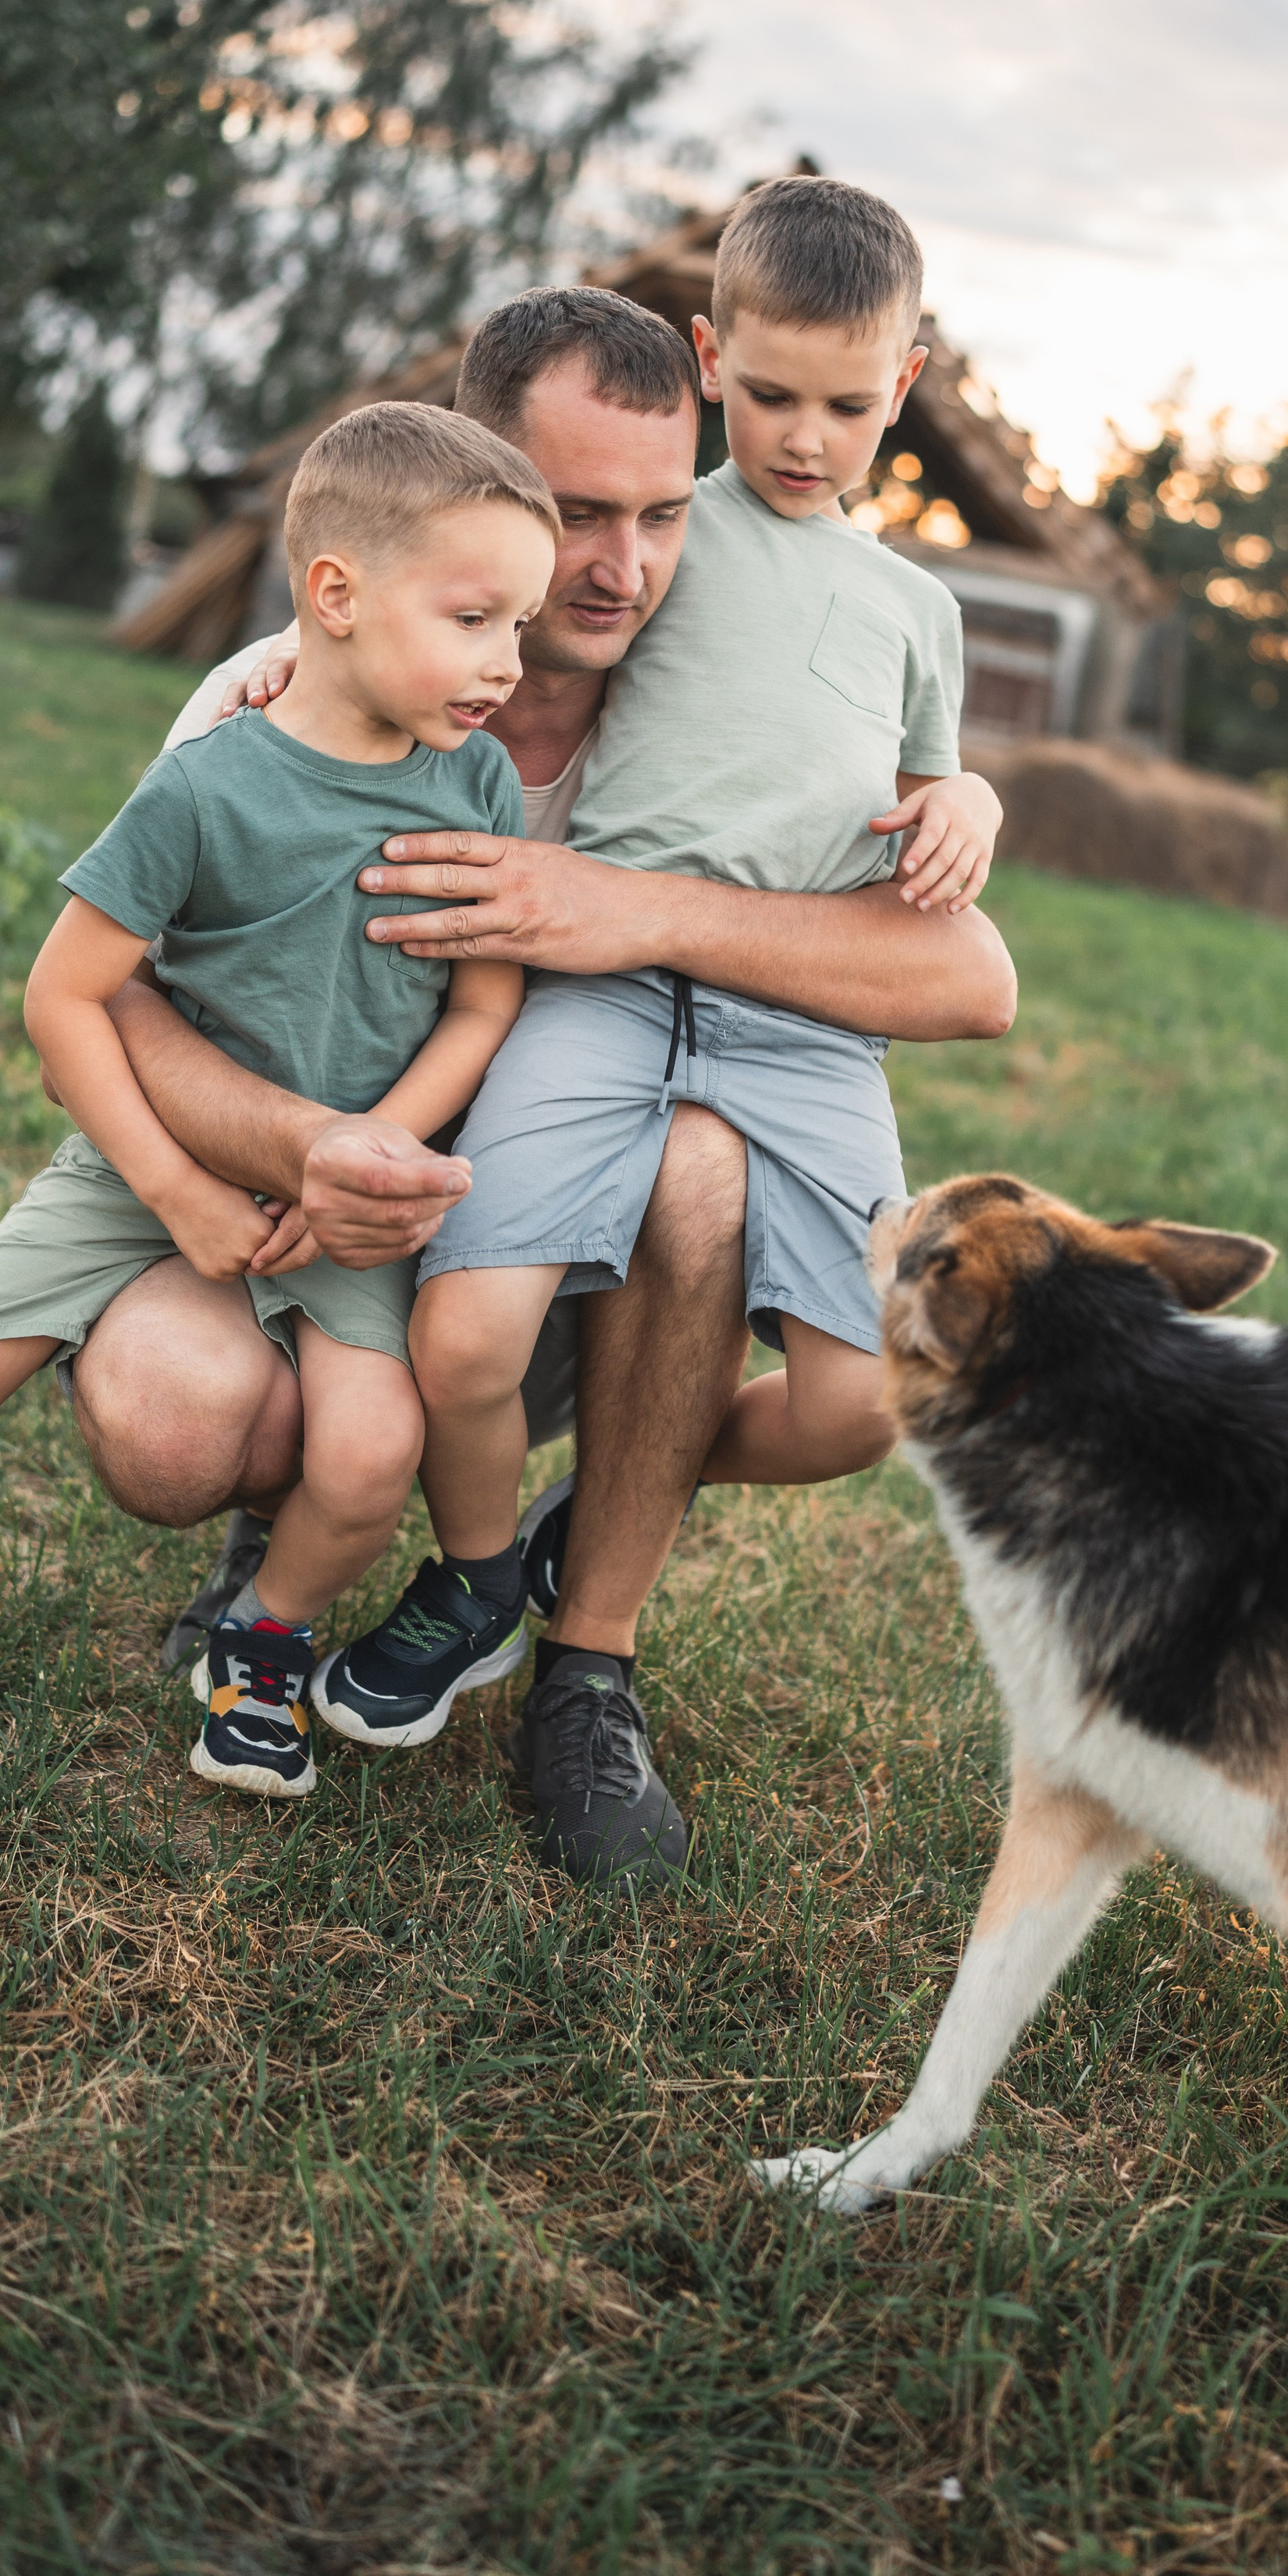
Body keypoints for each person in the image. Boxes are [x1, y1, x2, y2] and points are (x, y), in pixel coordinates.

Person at [71, 285, 1018, 1880]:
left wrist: (634, 908)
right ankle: (283, 1536)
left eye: (662, 514)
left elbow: (971, 977)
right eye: (575, 514)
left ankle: (579, 1658)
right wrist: (314, 1148)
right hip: (295, 1229)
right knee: (172, 1425)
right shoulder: (285, 706)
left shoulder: (709, 690)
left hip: (557, 1288)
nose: (622, 568)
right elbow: (117, 1001)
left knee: (704, 1166)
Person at [313, 178, 1001, 1883]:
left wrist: (970, 796)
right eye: (766, 396)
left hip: (800, 1032)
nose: (803, 437)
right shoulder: (667, 536)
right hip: (598, 998)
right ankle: (485, 1582)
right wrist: (290, 674)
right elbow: (453, 592)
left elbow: (933, 829)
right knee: (468, 1335)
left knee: (864, 1400)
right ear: (709, 364)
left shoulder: (916, 610)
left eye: (846, 404)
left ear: (904, 387)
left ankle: (578, 1534)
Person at [0, 404, 556, 1800]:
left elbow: (483, 1006)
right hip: (146, 1167)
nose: (508, 663)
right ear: (335, 596)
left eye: (519, 625)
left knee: (372, 1452)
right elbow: (66, 997)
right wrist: (177, 1191)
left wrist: (379, 1147)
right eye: (475, 620)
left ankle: (261, 1638)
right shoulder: (207, 783)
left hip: (349, 1208)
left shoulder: (477, 785)